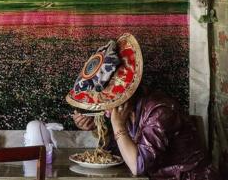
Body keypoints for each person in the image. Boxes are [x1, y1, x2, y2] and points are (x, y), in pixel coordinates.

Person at [66, 33, 220, 180]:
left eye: (108, 100)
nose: (105, 108)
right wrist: (96, 128)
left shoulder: (160, 111)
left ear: (126, 93)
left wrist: (118, 125)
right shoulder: (125, 111)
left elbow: (137, 166)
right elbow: (118, 153)